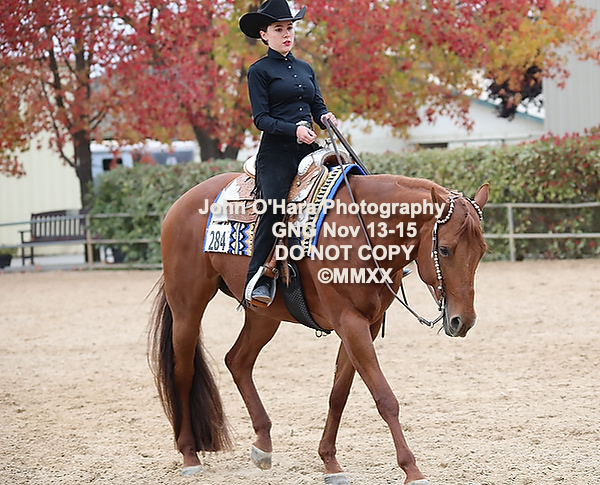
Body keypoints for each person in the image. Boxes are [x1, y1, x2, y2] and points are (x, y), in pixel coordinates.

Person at [239, 0, 337, 306]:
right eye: (279, 29)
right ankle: (258, 277)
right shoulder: (259, 71)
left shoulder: (306, 68)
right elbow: (261, 119)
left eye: (290, 28)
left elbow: (316, 104)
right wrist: (293, 129)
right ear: (264, 35)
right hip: (276, 153)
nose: (286, 34)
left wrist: (325, 117)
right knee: (274, 206)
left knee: (346, 185)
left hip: (308, 148)